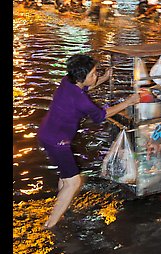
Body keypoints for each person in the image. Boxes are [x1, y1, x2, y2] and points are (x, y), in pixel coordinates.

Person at [37, 53, 140, 229]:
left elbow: (86, 87)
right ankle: (50, 225)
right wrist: (129, 101)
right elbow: (102, 115)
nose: (96, 76)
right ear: (81, 77)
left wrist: (104, 78)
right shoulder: (82, 101)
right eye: (93, 74)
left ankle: (62, 206)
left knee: (66, 176)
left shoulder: (68, 82)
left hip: (46, 133)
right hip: (58, 142)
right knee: (74, 181)